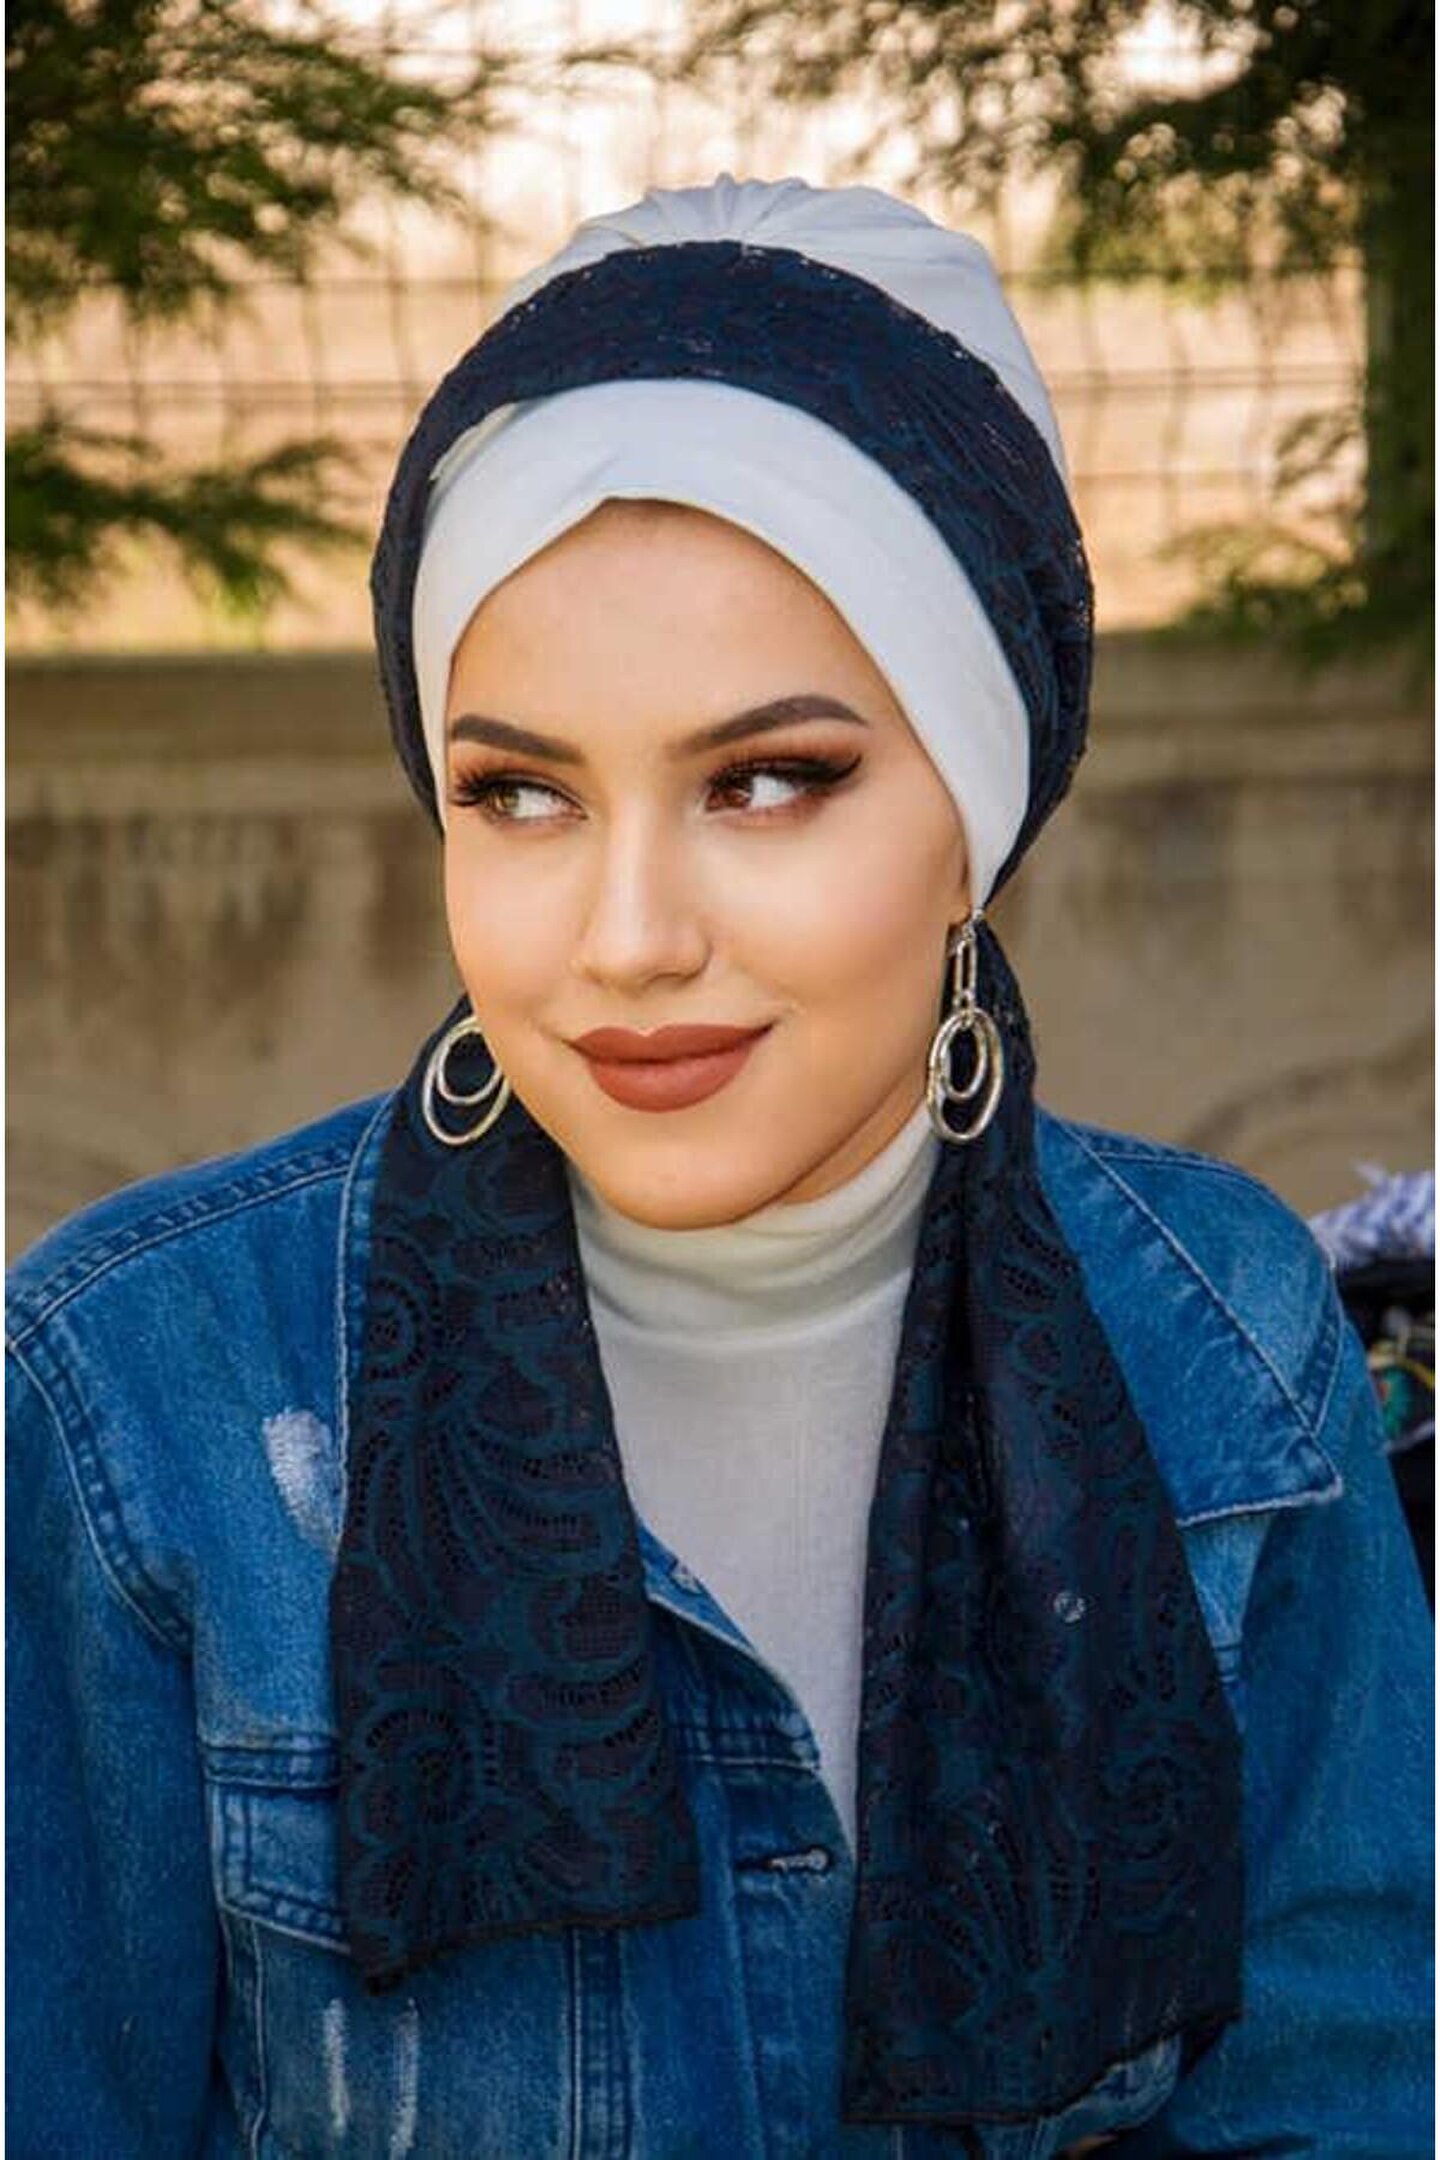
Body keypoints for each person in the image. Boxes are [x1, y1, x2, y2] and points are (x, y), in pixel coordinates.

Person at [7, 174, 1431, 2158]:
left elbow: (1345, 2101)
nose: (628, 939)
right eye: (521, 794)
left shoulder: (1223, 1338)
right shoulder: (131, 1395)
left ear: (978, 808)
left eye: (766, 781)